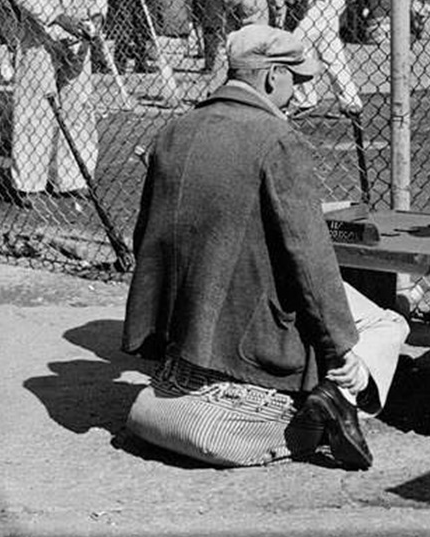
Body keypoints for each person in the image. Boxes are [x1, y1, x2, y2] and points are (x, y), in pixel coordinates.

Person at [121, 24, 408, 469]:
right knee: (388, 323)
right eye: (296, 79)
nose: (297, 92)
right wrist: (339, 347)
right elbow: (309, 259)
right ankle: (340, 391)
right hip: (252, 324)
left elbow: (147, 239)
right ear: (273, 77)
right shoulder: (278, 140)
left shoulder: (175, 131)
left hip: (187, 320)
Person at [10, 0, 106, 205]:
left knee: (79, 107)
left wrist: (96, 19)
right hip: (41, 38)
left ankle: (74, 178)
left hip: (78, 39)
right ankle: (29, 184)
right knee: (35, 108)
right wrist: (58, 17)